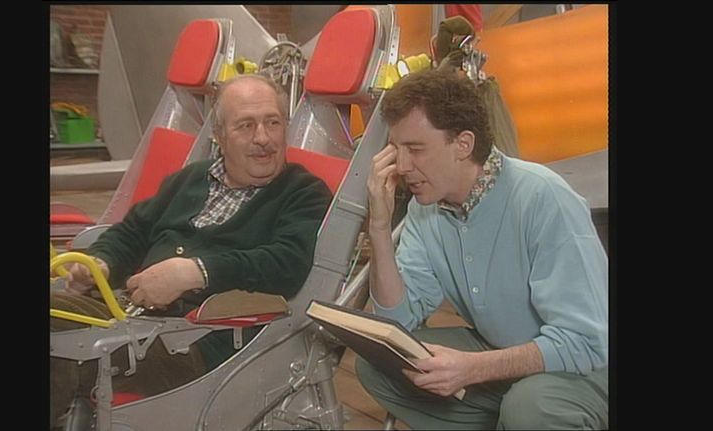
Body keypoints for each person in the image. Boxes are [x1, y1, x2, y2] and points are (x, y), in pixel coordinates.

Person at [50, 74, 332, 428]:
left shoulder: (304, 193)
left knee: (61, 349)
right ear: (219, 136)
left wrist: (195, 272)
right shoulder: (190, 179)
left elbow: (287, 263)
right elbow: (133, 231)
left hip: (198, 345)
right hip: (128, 317)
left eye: (272, 122)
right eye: (246, 125)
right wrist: (102, 263)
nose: (263, 138)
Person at [357, 69, 608, 429]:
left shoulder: (544, 198)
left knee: (530, 406)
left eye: (415, 149)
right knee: (382, 362)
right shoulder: (424, 209)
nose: (402, 166)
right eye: (396, 149)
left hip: (589, 368)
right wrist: (379, 228)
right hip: (504, 354)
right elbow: (398, 322)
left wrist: (472, 369)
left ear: (463, 145)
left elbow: (585, 342)